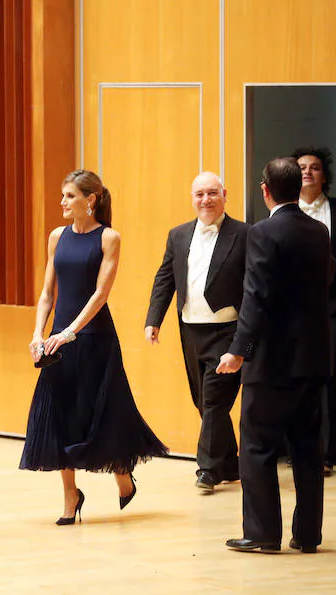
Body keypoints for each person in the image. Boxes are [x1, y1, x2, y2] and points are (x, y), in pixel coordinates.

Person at [20, 169, 168, 524]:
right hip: (58, 341)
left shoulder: (109, 238)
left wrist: (70, 331)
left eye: (69, 196)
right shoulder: (57, 236)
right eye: (63, 195)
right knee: (60, 414)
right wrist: (39, 334)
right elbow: (46, 293)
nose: (63, 202)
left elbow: (101, 294)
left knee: (104, 412)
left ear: (91, 199)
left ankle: (122, 474)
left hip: (95, 338)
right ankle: (71, 496)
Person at [218, 157, 332, 554]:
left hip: (272, 363)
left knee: (257, 447)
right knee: (307, 449)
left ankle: (263, 533)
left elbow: (257, 299)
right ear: (297, 188)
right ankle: (308, 535)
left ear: (264, 190)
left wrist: (238, 352)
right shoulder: (319, 232)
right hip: (313, 359)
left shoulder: (262, 233)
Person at [145, 172, 248, 493]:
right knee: (203, 401)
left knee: (215, 400)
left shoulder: (244, 234)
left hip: (228, 329)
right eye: (200, 194)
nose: (206, 200)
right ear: (192, 198)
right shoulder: (177, 235)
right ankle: (231, 464)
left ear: (225, 195)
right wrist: (154, 319)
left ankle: (207, 469)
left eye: (212, 193)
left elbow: (253, 285)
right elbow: (164, 279)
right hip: (190, 329)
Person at [292, 146, 336, 475]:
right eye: (301, 167)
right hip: (293, 316)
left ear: (325, 176)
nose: (307, 172)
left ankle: (325, 454)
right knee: (298, 381)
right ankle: (298, 451)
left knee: (328, 379)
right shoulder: (281, 214)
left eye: (314, 167)